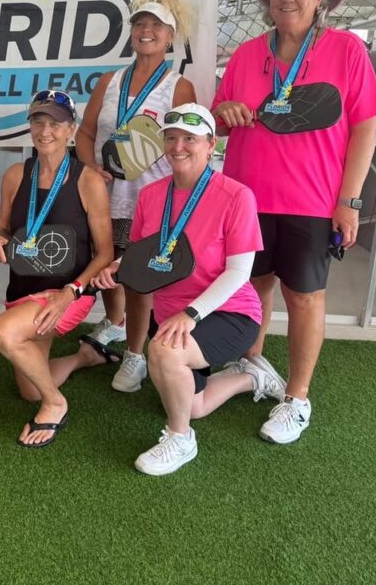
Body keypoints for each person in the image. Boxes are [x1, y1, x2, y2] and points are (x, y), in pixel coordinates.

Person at [211, 0, 376, 443]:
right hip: (246, 198)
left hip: (312, 201)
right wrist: (224, 109)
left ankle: (297, 398)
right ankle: (254, 367)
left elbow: (365, 128)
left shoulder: (346, 49)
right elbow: (219, 123)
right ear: (268, 2)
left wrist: (348, 201)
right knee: (253, 288)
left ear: (320, 0)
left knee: (305, 297)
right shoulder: (247, 54)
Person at [93, 104, 285, 475]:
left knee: (163, 352)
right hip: (173, 316)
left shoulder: (236, 195)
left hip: (228, 312)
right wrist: (116, 268)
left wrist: (191, 314)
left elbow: (240, 273)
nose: (178, 146)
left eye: (189, 139)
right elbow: (142, 255)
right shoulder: (151, 195)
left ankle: (181, 440)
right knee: (194, 405)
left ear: (211, 144)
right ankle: (253, 377)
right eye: (171, 138)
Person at [51, 0, 196, 395]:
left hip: (151, 201)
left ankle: (136, 354)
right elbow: (84, 133)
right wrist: (89, 169)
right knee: (108, 271)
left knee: (138, 280)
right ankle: (115, 325)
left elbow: (186, 147)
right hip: (107, 197)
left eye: (156, 26)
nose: (146, 32)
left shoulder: (178, 87)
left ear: (170, 36)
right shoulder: (109, 81)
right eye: (140, 25)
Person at [0, 91, 113, 447]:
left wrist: (70, 291)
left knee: (5, 333)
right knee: (28, 388)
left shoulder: (88, 181)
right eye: (38, 122)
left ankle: (56, 403)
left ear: (71, 130)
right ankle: (84, 356)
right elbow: (3, 228)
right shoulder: (14, 175)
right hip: (23, 290)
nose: (45, 130)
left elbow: (104, 253)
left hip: (67, 293)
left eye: (55, 123)